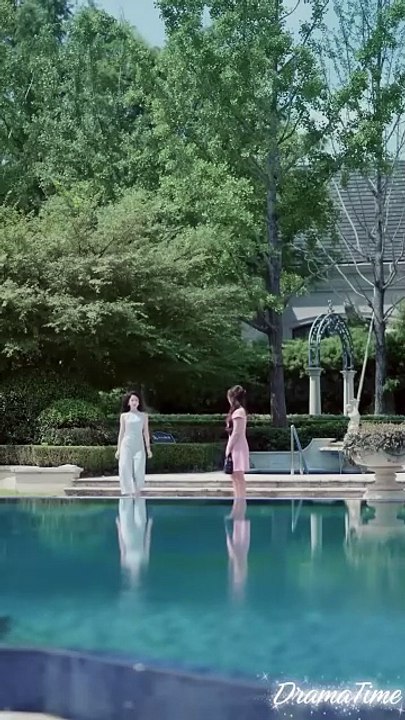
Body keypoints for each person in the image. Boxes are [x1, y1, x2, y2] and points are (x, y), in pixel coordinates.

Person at [115, 391, 152, 496]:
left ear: (139, 402)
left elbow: (146, 433)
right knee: (124, 467)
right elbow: (121, 433)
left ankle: (137, 491)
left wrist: (148, 449)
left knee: (138, 469)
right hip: (126, 445)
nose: (134, 402)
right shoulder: (124, 416)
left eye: (136, 400)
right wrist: (118, 449)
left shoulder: (143, 416)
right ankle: (127, 492)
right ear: (128, 403)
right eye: (132, 400)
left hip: (139, 446)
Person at [116, 497, 153, 586]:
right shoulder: (144, 561)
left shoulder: (125, 563)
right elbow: (147, 542)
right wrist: (149, 526)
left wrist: (118, 527)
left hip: (127, 533)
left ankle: (127, 491)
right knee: (139, 507)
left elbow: (122, 546)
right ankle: (137, 490)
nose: (135, 575)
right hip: (140, 531)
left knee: (125, 509)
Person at [225, 385, 249, 518]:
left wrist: (229, 447)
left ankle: (240, 502)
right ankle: (237, 502)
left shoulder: (239, 412)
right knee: (234, 475)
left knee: (238, 475)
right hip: (236, 445)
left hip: (237, 446)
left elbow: (236, 432)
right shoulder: (238, 411)